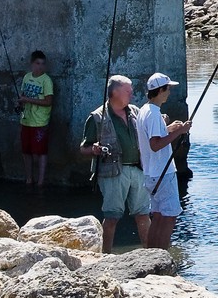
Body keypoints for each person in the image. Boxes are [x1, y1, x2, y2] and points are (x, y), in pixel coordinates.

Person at [78, 75, 151, 253]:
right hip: (113, 173)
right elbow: (83, 148)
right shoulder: (97, 117)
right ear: (115, 92)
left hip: (138, 169)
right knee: (112, 217)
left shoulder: (134, 111)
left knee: (143, 215)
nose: (132, 93)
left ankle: (151, 253)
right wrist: (93, 149)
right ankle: (106, 255)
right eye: (128, 90)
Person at [138, 73, 191, 249]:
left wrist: (169, 128)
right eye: (168, 89)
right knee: (169, 216)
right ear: (160, 90)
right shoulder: (153, 114)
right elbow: (155, 144)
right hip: (162, 173)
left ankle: (152, 254)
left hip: (151, 174)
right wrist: (180, 131)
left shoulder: (145, 110)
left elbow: (152, 137)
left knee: (159, 216)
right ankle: (162, 255)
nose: (169, 92)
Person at [18, 51, 54, 187]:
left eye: (43, 64)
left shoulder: (46, 81)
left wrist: (27, 99)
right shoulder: (27, 77)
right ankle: (29, 179)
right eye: (37, 63)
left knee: (41, 152)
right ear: (32, 64)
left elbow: (48, 101)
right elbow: (22, 95)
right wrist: (21, 102)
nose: (40, 67)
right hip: (26, 119)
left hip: (40, 122)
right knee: (26, 151)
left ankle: (40, 181)